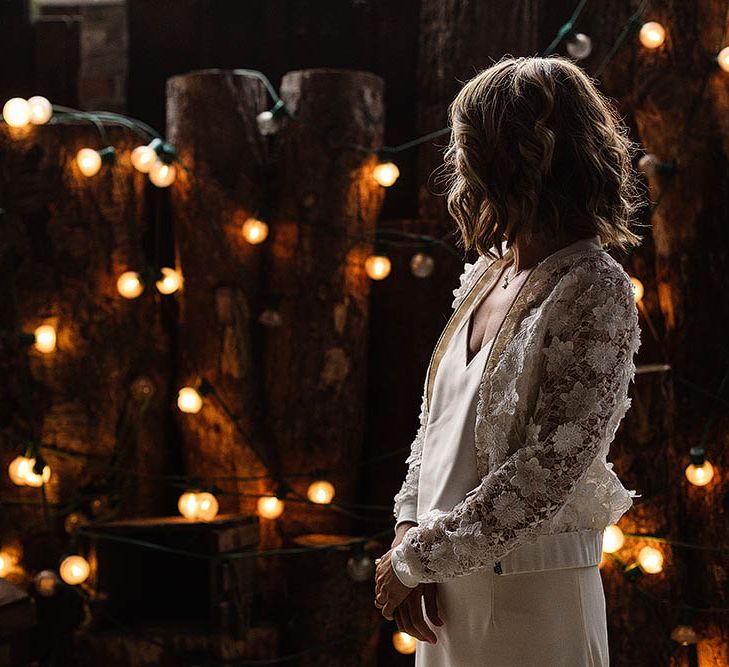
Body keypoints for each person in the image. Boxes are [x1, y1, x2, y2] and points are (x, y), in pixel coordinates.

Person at [373, 54, 646, 666]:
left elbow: (551, 466)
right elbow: (435, 429)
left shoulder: (594, 287)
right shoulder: (484, 275)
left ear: (512, 157)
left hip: (535, 599)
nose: (457, 161)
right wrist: (406, 532)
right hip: (445, 600)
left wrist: (416, 559)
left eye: (466, 143)